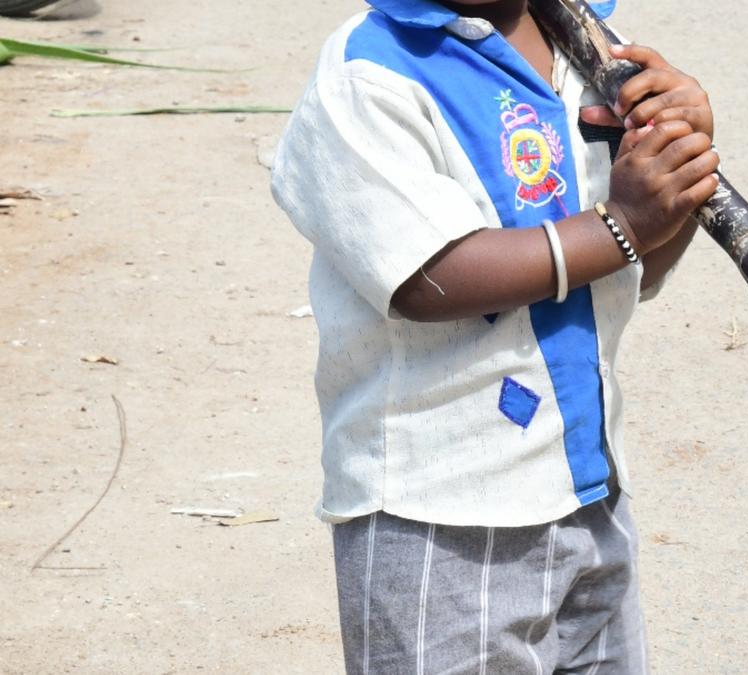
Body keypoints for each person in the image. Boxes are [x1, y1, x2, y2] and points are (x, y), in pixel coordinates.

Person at [271, 0, 718, 671]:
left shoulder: (591, 48)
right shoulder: (369, 76)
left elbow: (632, 261)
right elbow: (429, 276)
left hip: (586, 491)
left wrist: (674, 181)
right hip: (441, 516)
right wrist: (622, 221)